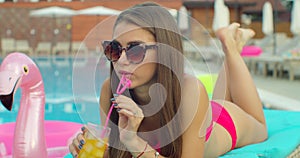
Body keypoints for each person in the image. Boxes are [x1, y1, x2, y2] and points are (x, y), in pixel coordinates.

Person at [69, 2, 267, 158]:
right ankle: (231, 45)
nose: (121, 61)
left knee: (261, 127)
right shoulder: (110, 90)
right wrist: (90, 148)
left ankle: (231, 46)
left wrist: (135, 143)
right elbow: (115, 152)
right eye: (114, 49)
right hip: (200, 113)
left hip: (225, 122)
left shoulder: (190, 90)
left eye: (135, 50)